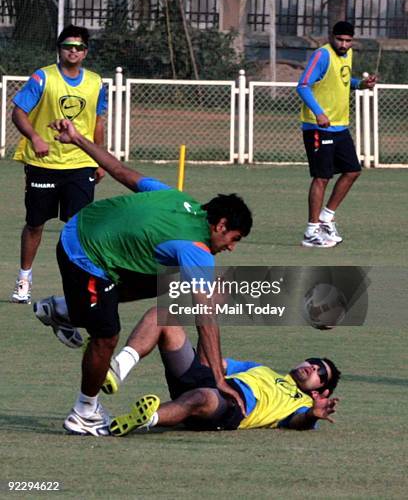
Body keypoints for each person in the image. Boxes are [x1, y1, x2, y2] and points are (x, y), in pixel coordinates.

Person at [34, 118, 253, 436]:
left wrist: (78, 139)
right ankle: (84, 412)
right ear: (220, 225)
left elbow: (122, 173)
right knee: (106, 336)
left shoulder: (182, 201)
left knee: (167, 281)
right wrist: (218, 379)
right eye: (234, 238)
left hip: (86, 230)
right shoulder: (197, 249)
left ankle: (64, 309)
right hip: (84, 252)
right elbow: (206, 317)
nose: (231, 248)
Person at [103, 307, 340, 437]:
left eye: (320, 372)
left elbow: (298, 422)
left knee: (202, 397)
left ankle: (146, 418)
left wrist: (311, 415)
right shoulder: (261, 369)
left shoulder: (300, 404)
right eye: (313, 361)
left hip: (229, 408)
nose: (312, 367)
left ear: (320, 392)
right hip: (211, 382)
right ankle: (117, 370)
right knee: (162, 315)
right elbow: (212, 361)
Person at [11, 25, 106, 303]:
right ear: (59, 49)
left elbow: (97, 122)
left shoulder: (96, 82)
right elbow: (18, 112)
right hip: (44, 163)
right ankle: (24, 279)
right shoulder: (43, 77)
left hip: (80, 165)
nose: (73, 51)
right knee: (35, 224)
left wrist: (100, 158)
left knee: (77, 228)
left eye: (78, 47)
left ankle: (78, 286)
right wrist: (35, 137)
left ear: (86, 52)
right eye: (68, 46)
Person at [296, 21, 377, 248]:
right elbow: (303, 85)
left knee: (352, 171)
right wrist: (319, 113)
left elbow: (341, 82)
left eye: (348, 40)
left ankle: (325, 218)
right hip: (318, 127)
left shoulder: (347, 54)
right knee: (322, 177)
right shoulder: (322, 55)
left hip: (340, 126)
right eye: (340, 39)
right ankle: (311, 232)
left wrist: (361, 84)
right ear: (332, 37)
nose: (344, 44)